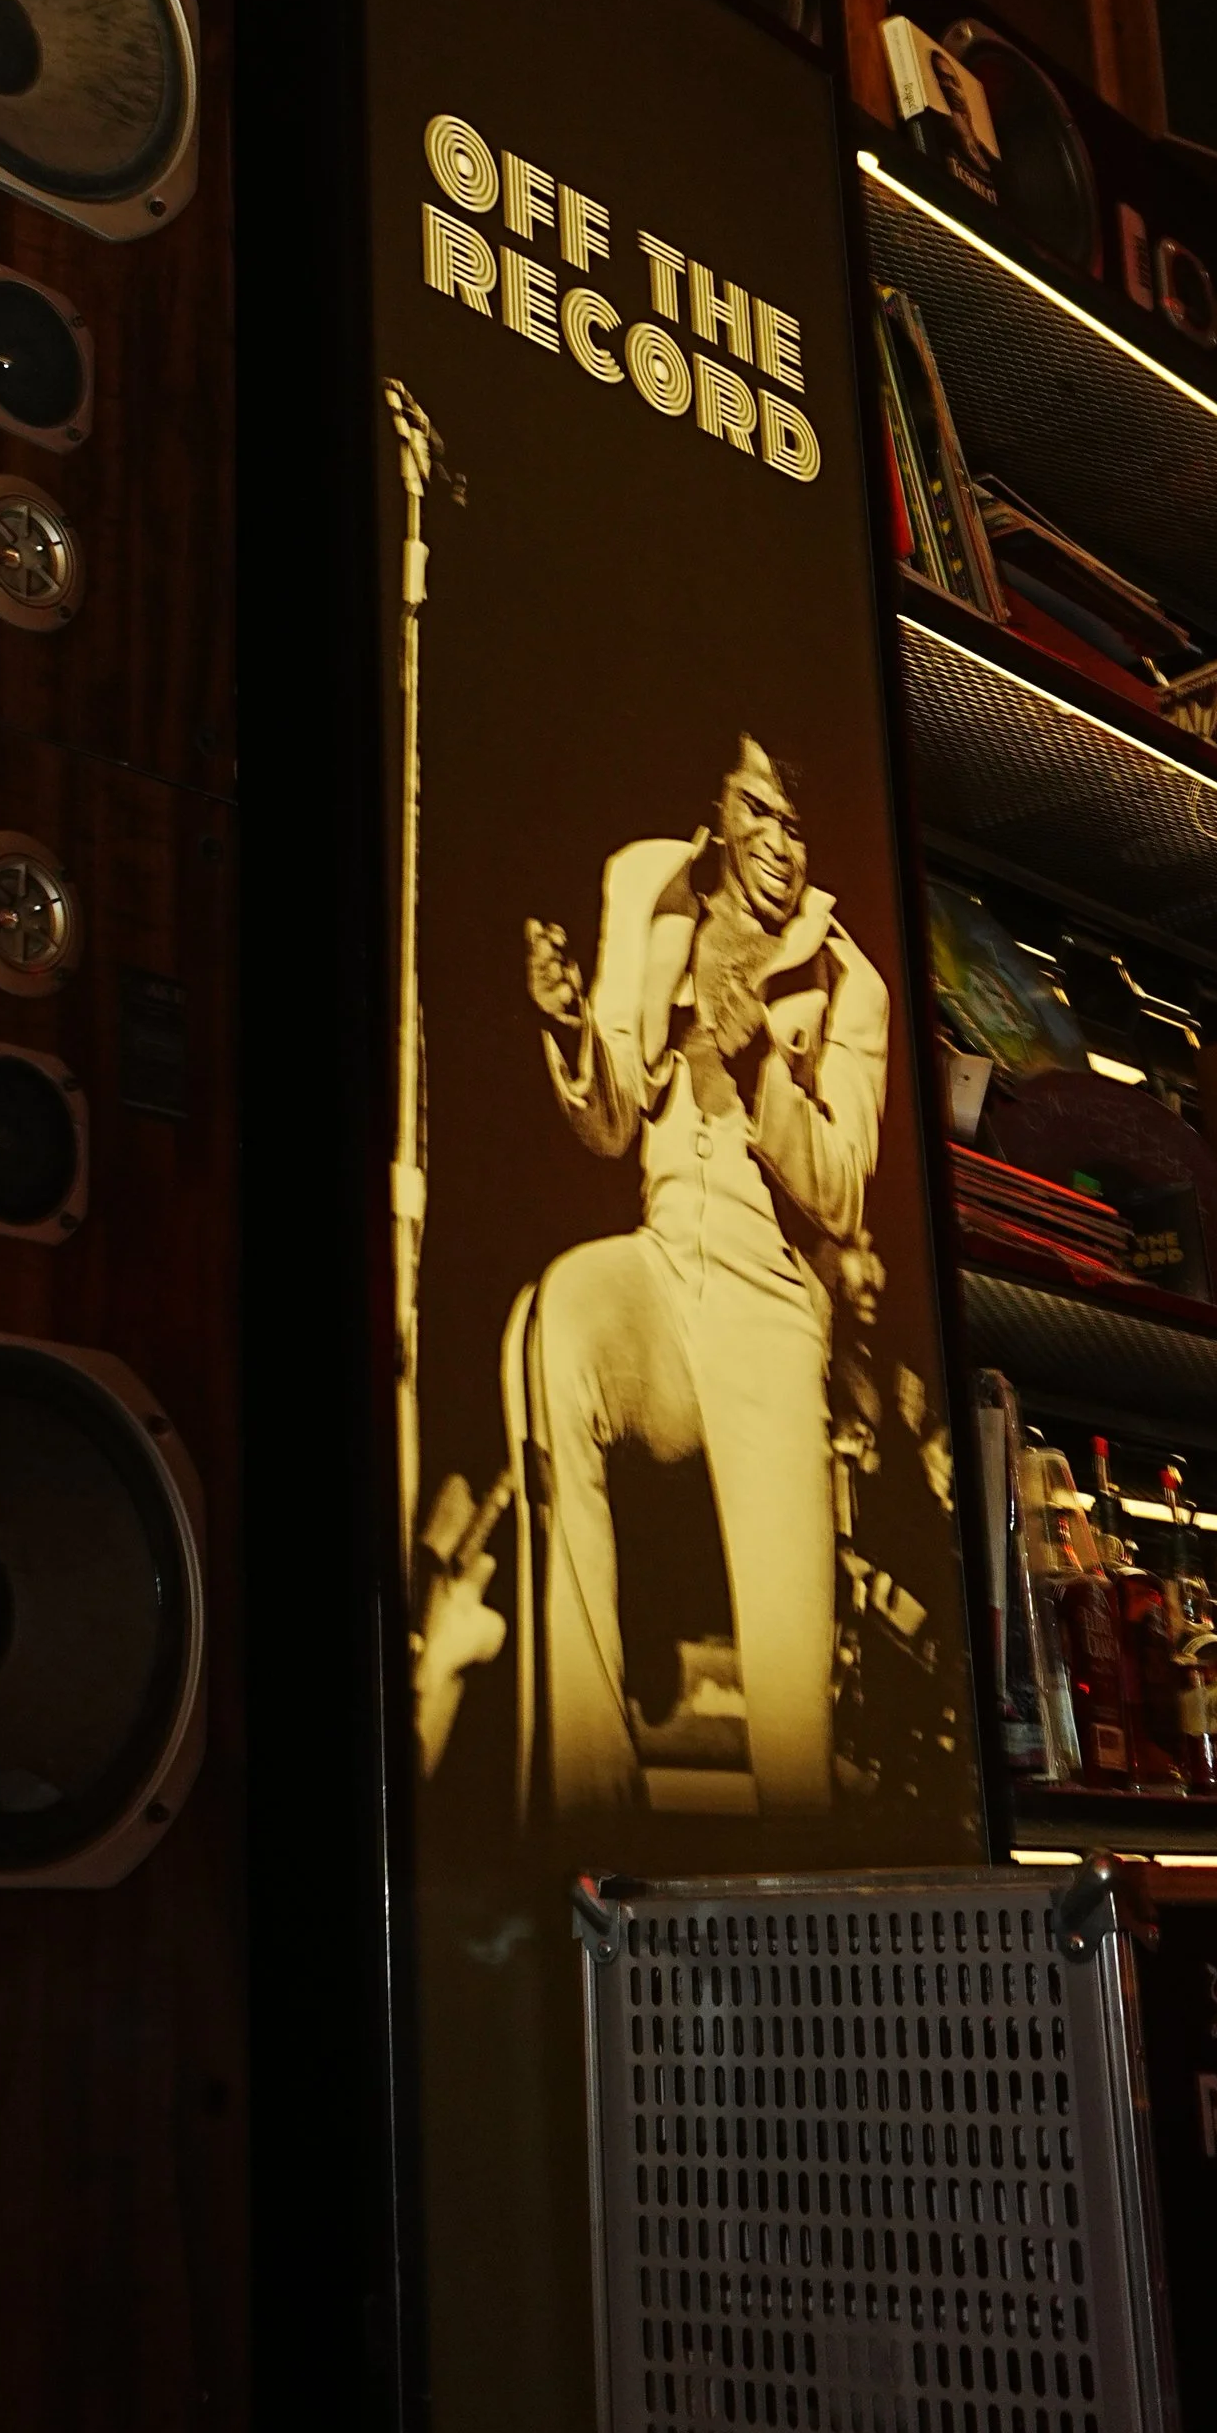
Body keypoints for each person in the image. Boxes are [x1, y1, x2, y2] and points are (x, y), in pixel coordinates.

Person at [521, 735, 889, 1813]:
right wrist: (566, 1027)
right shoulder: (647, 887)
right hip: (659, 1261)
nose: (778, 843)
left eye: (796, 823)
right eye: (758, 812)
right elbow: (609, 1119)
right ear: (720, 811)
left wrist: (761, 1061)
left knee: (789, 1717)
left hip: (765, 1307)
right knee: (562, 1320)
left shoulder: (846, 978)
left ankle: (803, 1893)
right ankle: (591, 1793)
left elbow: (843, 1192)